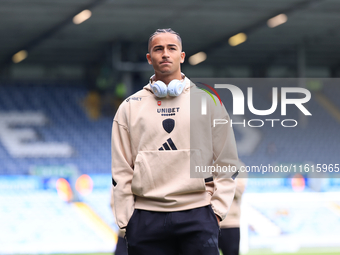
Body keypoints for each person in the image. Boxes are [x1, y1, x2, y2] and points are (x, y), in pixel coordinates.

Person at [111, 28, 243, 255]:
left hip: (199, 216)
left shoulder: (208, 101)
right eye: (158, 49)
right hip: (144, 220)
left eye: (172, 48)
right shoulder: (130, 107)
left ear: (182, 56)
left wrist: (216, 212)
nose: (165, 54)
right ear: (149, 57)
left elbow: (227, 160)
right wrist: (127, 221)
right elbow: (121, 170)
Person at [218, 178, 247, 255]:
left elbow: (239, 191)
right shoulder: (205, 166)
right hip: (208, 221)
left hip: (230, 223)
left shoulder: (237, 166)